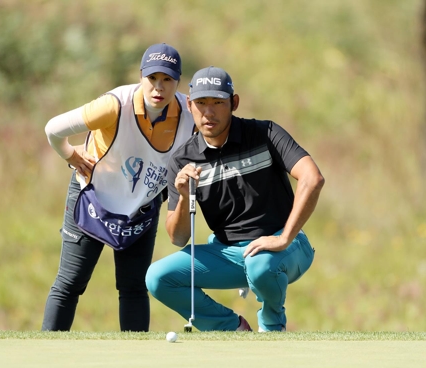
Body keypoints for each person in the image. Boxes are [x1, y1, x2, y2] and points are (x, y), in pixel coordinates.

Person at [146, 66, 325, 332]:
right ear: (189, 105)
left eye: (218, 103)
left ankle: (272, 327)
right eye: (201, 103)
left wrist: (284, 237)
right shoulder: (183, 160)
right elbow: (178, 238)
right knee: (158, 278)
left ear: (234, 103)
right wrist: (184, 197)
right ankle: (232, 329)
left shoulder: (265, 134)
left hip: (285, 248)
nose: (209, 112)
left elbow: (312, 178)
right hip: (228, 254)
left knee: (260, 265)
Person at [42, 43, 195, 332]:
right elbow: (53, 129)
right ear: (141, 76)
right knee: (70, 283)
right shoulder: (114, 106)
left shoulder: (189, 113)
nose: (158, 88)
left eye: (167, 80)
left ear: (178, 81)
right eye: (152, 78)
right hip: (93, 198)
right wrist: (71, 156)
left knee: (134, 287)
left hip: (141, 205)